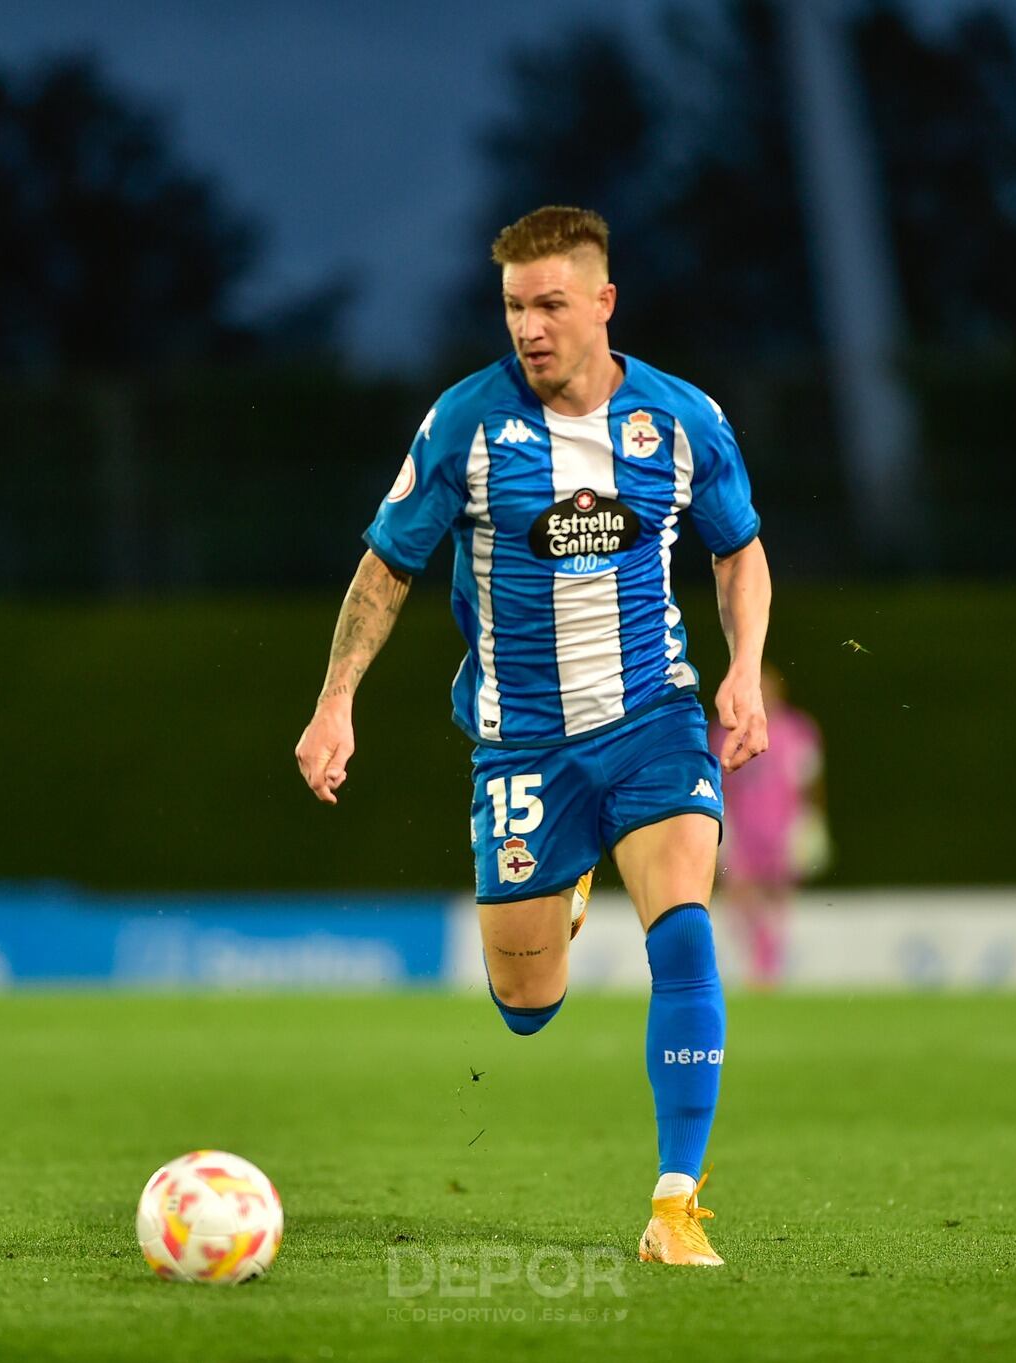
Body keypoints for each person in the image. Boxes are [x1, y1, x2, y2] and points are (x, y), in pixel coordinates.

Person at [293, 206, 771, 1267]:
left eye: (550, 304)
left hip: (655, 719)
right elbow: (385, 569)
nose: (529, 327)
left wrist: (740, 671)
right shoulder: (465, 424)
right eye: (514, 307)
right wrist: (336, 702)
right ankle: (568, 879)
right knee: (525, 1004)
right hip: (522, 747)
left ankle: (674, 1202)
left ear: (603, 302)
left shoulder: (681, 419)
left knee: (684, 926)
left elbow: (737, 550)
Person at [712, 663, 827, 988]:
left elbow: (810, 782)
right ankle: (754, 961)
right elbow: (718, 782)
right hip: (742, 827)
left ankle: (768, 964)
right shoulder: (726, 731)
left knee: (777, 896)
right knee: (739, 893)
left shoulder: (797, 730)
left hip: (781, 828)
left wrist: (811, 821)